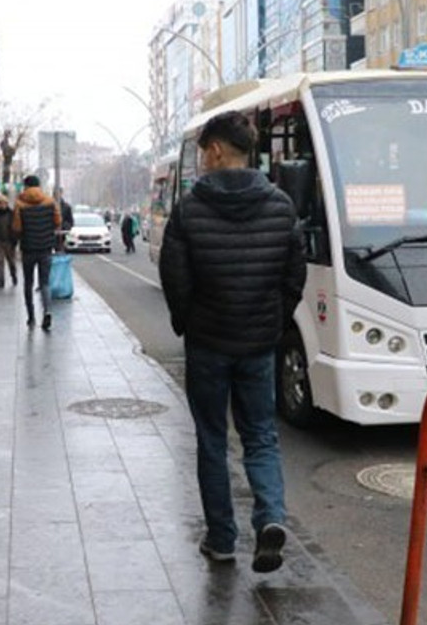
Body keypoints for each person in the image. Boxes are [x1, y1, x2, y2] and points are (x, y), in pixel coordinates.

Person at [159, 111, 305, 574]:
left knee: (212, 439)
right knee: (261, 435)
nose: (202, 161)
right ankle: (270, 519)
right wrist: (273, 322)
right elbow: (293, 275)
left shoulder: (189, 210)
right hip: (258, 344)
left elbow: (175, 278)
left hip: (208, 343)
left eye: (204, 151)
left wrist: (187, 322)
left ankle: (222, 540)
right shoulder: (281, 205)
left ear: (218, 150)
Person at [13, 175, 61, 331]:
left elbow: (17, 228)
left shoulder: (20, 204)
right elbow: (58, 222)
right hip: (46, 248)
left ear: (26, 186)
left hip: (28, 249)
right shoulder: (50, 201)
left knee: (28, 282)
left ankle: (31, 316)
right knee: (45, 282)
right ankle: (47, 311)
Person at [0, 195, 18, 288]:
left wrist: (15, 240)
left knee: (11, 262)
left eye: (3, 203)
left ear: (7, 203)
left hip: (9, 241)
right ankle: (1, 281)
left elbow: (15, 228)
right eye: (0, 203)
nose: (2, 204)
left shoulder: (12, 214)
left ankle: (14, 276)